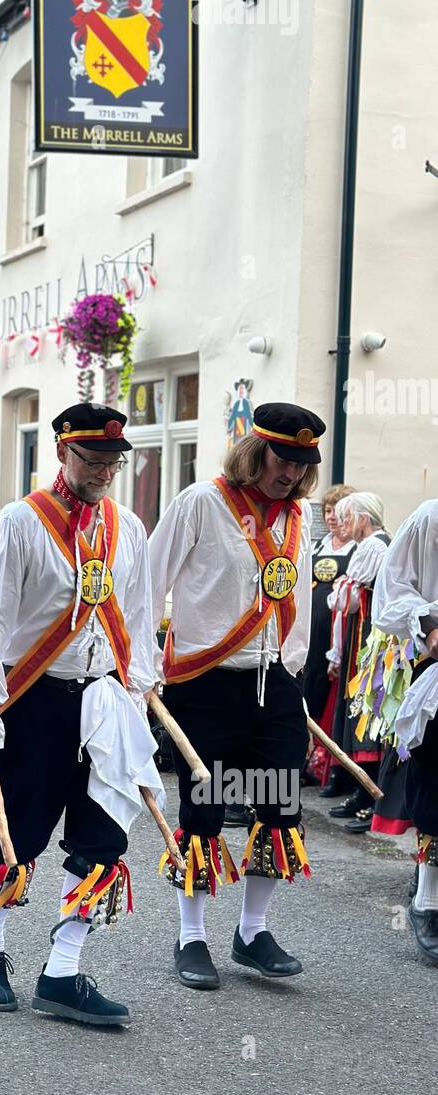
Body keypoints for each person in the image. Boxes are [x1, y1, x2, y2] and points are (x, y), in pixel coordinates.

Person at [0, 403, 159, 1028]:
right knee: (20, 831)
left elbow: (140, 611)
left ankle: (63, 972)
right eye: (91, 458)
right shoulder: (21, 523)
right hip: (35, 700)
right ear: (62, 452)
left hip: (104, 697)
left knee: (103, 837)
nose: (102, 471)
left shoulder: (129, 528)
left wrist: (140, 682)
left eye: (112, 461)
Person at [148, 403, 322, 990]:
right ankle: (190, 936)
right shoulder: (202, 502)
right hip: (206, 681)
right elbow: (151, 579)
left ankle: (252, 932)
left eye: (303, 464)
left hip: (273, 682)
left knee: (279, 806)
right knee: (206, 807)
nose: (292, 473)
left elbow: (294, 605)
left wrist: (290, 671)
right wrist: (144, 667)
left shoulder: (297, 518)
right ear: (255, 451)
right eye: (283, 459)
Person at [370, 498, 438, 961]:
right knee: (436, 783)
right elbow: (391, 592)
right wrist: (430, 622)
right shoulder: (431, 518)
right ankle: (427, 899)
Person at [325, 492, 389, 832]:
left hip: (370, 642)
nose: (345, 525)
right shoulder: (371, 547)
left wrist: (341, 588)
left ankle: (368, 795)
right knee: (360, 712)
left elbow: (345, 599)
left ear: (364, 519)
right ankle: (360, 791)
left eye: (349, 518)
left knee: (369, 711)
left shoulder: (375, 547)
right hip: (361, 640)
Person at [302, 483, 355, 794]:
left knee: (329, 698)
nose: (332, 517)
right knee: (309, 692)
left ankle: (330, 765)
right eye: (327, 511)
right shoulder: (320, 545)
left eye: (337, 511)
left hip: (337, 636)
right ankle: (308, 760)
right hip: (312, 632)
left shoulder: (359, 550)